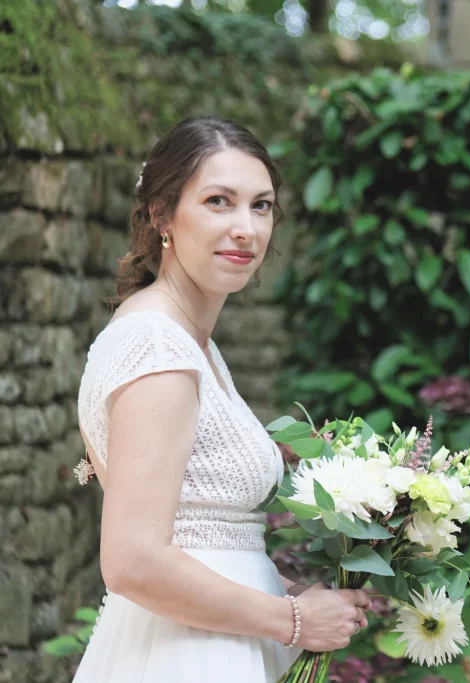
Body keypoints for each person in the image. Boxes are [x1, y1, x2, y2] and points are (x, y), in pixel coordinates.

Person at [72, 117, 369, 682]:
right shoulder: (157, 347)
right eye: (218, 201)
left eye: (261, 206)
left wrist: (300, 597)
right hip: (185, 657)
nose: (246, 228)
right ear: (161, 213)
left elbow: (202, 538)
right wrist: (294, 620)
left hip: (209, 642)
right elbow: (134, 561)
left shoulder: (187, 343)